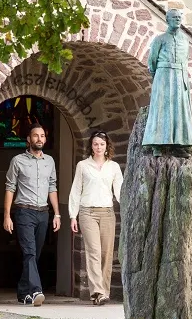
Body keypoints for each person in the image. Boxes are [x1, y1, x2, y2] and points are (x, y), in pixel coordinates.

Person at [4, 123, 61, 306]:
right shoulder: (17, 161)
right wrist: (7, 215)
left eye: (42, 136)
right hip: (24, 212)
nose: (39, 139)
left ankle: (23, 292)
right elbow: (10, 188)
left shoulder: (50, 161)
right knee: (29, 252)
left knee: (34, 255)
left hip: (43, 213)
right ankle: (36, 291)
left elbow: (52, 187)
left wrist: (57, 214)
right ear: (28, 139)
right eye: (35, 136)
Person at [69, 130, 123, 306]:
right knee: (94, 252)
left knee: (107, 254)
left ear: (107, 146)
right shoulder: (83, 166)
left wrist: (129, 209)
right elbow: (76, 191)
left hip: (107, 213)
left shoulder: (113, 167)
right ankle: (97, 292)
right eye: (95, 144)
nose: (99, 147)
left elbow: (120, 191)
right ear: (91, 146)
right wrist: (72, 215)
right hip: (87, 213)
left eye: (101, 144)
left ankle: (104, 292)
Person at [142, 8, 192, 156]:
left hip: (180, 77)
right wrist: (160, 77)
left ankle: (179, 144)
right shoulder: (159, 39)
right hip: (163, 76)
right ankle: (157, 145)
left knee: (179, 110)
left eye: (179, 17)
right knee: (161, 109)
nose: (177, 19)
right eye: (174, 17)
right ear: (167, 20)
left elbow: (185, 60)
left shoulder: (185, 40)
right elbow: (152, 61)